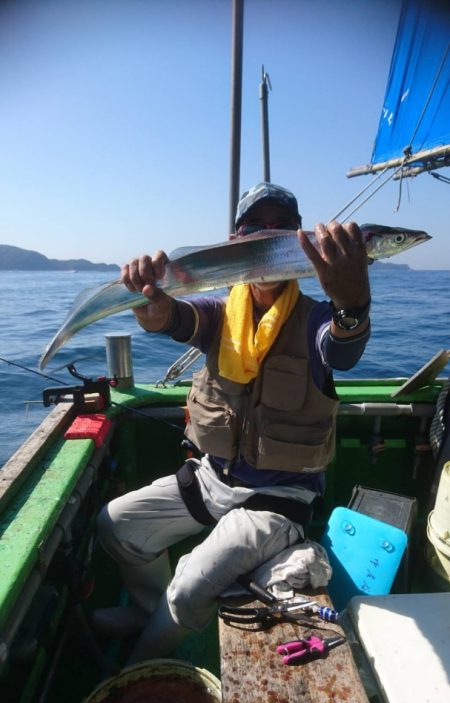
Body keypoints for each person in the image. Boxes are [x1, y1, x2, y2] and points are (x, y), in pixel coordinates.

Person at [93, 182, 371, 664]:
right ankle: (147, 611)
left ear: (300, 239)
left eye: (281, 227)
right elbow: (174, 318)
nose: (267, 234)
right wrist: (152, 309)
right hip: (211, 478)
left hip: (280, 496)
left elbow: (342, 349)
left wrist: (353, 305)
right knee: (116, 525)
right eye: (254, 226)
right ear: (235, 240)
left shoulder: (315, 320)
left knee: (190, 584)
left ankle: (140, 667)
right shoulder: (220, 314)